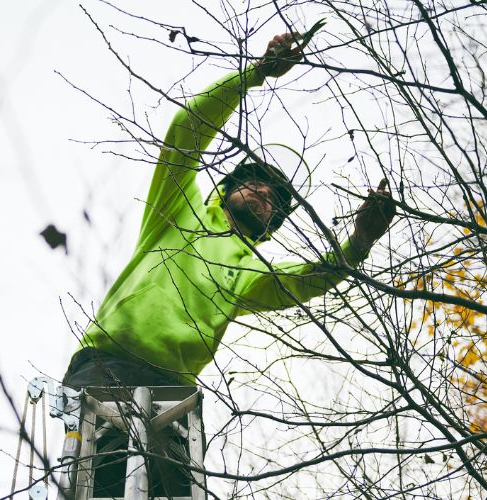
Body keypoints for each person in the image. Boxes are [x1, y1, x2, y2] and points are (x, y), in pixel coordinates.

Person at [62, 31, 395, 496]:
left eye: (275, 200)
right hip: (109, 362)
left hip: (172, 389)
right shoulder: (178, 209)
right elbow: (186, 130)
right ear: (229, 185)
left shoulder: (247, 272)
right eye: (256, 182)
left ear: (272, 223)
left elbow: (304, 281)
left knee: (171, 490)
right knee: (100, 479)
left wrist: (359, 241)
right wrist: (255, 74)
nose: (263, 195)